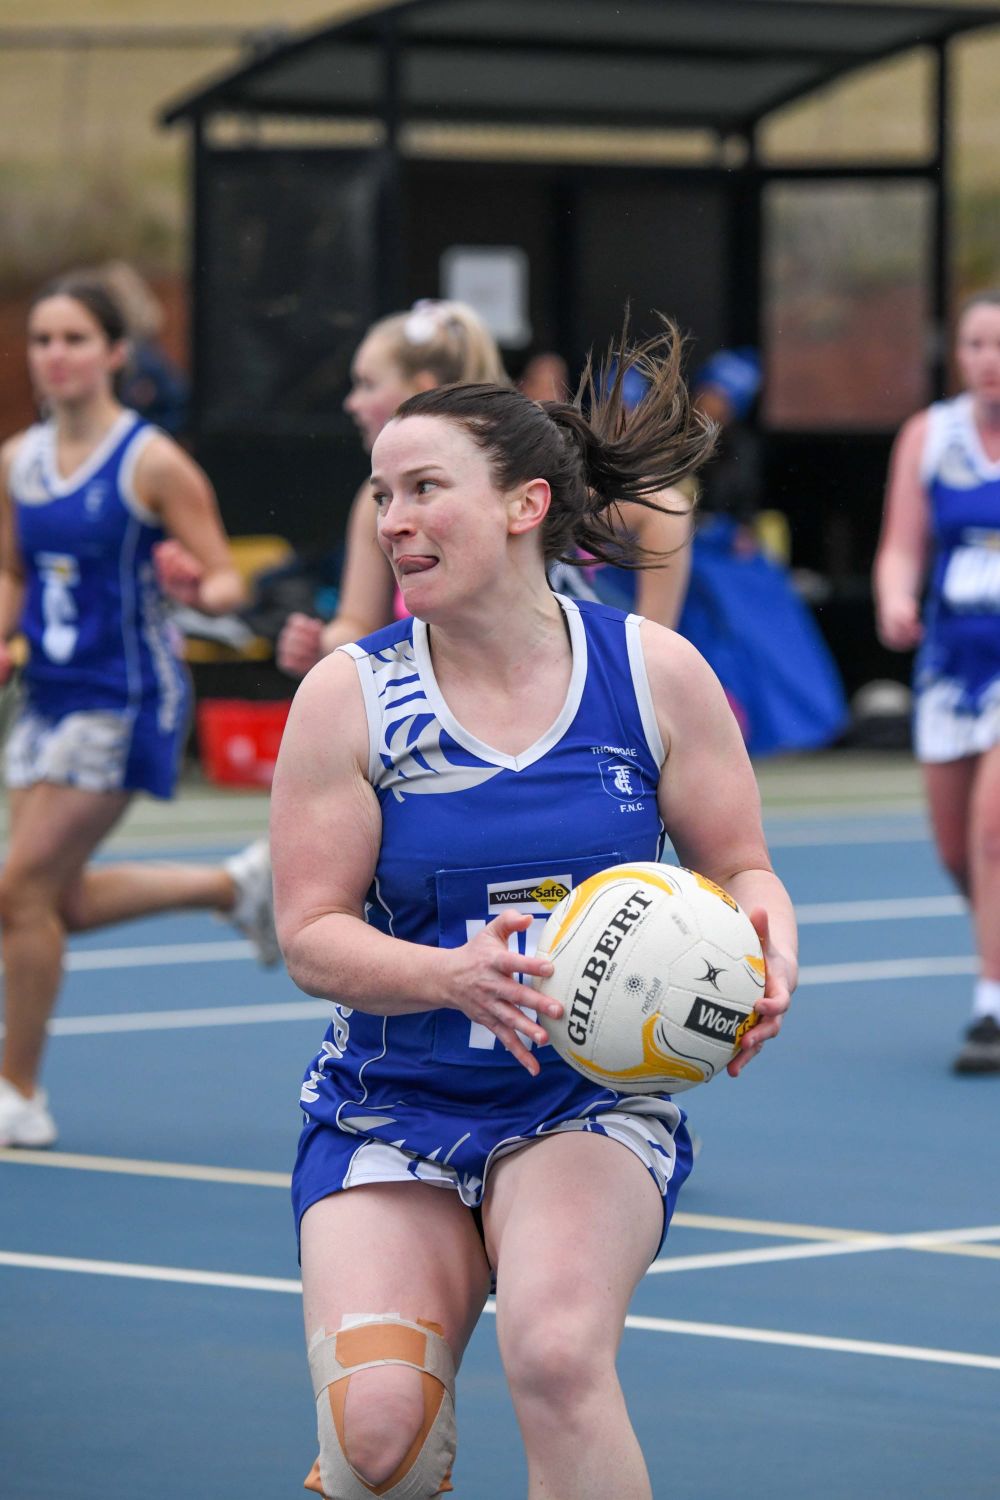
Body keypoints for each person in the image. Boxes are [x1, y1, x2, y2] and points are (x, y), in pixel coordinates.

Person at [270, 322, 798, 1500]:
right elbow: (308, 931)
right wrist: (446, 973)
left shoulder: (650, 674)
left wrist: (769, 955)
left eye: (423, 490)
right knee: (376, 1449)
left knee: (555, 1359)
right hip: (391, 1101)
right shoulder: (347, 700)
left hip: (584, 1099)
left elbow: (745, 870)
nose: (394, 519)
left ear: (524, 506)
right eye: (381, 495)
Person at [0, 273, 276, 1150]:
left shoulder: (150, 461)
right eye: (43, 339)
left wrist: (201, 584)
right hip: (44, 696)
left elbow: (229, 577)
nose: (56, 355)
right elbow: (12, 573)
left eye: (75, 338)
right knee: (56, 902)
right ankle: (232, 887)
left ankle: (19, 1091)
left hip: (126, 697)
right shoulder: (16, 461)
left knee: (17, 889)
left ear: (116, 353)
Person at [874, 288, 1000, 1075]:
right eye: (978, 346)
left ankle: (991, 1008)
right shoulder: (929, 436)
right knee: (958, 850)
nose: (992, 362)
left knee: (995, 834)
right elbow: (900, 546)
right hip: (952, 670)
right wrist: (893, 595)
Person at [277, 300, 508, 678]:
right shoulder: (371, 502)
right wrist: (323, 646)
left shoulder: (518, 476)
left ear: (421, 390)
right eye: (386, 498)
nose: (351, 403)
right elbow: (358, 623)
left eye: (367, 384)